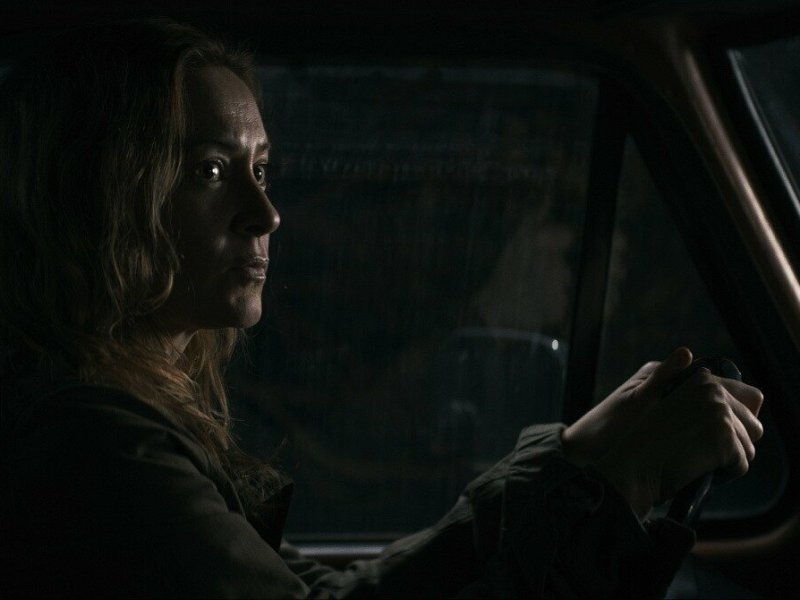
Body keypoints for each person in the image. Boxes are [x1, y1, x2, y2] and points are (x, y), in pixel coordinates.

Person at [0, 19, 764, 598]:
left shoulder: (132, 417)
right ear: (102, 197)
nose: (265, 214)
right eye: (209, 171)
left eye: (261, 169)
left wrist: (574, 459)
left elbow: (341, 594)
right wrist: (612, 490)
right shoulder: (99, 452)